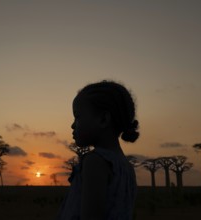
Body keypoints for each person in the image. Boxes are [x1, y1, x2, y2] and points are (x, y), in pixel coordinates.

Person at [56, 80, 139, 220]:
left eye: (78, 117)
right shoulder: (126, 167)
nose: (72, 125)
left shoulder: (95, 162)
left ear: (103, 119)